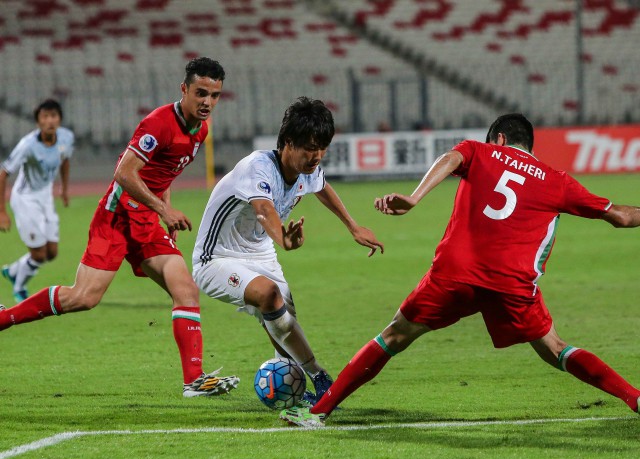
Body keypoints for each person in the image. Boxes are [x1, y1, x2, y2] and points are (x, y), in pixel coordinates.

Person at [280, 113, 640, 426]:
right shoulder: (556, 180)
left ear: (498, 138)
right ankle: (633, 397)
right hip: (511, 284)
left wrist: (415, 197)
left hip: (456, 273)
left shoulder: (479, 150)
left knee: (393, 336)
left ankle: (318, 412)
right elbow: (622, 217)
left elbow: (451, 158)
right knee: (554, 348)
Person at [0, 57, 239, 397]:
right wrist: (163, 210)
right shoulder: (158, 123)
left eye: (214, 96)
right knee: (83, 298)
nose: (207, 102)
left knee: (185, 288)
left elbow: (164, 173)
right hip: (116, 216)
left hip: (148, 220)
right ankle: (4, 318)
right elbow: (124, 173)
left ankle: (194, 380)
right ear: (184, 89)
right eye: (201, 93)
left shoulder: (201, 129)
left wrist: (164, 213)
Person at [192, 97, 384, 404]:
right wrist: (284, 239)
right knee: (270, 295)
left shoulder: (308, 168)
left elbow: (321, 186)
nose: (317, 155)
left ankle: (291, 388)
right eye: (309, 147)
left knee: (283, 318)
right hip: (217, 257)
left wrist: (353, 225)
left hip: (261, 252)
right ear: (287, 143)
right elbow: (264, 211)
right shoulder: (258, 168)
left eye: (322, 147)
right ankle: (321, 379)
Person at [0, 99, 73, 303]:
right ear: (38, 122)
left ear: (59, 119)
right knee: (39, 254)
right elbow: (3, 173)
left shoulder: (66, 138)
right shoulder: (28, 145)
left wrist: (65, 189)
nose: (50, 121)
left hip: (45, 197)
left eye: (54, 116)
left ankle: (13, 271)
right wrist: (2, 212)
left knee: (52, 252)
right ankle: (19, 287)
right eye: (45, 117)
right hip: (25, 200)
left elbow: (65, 160)